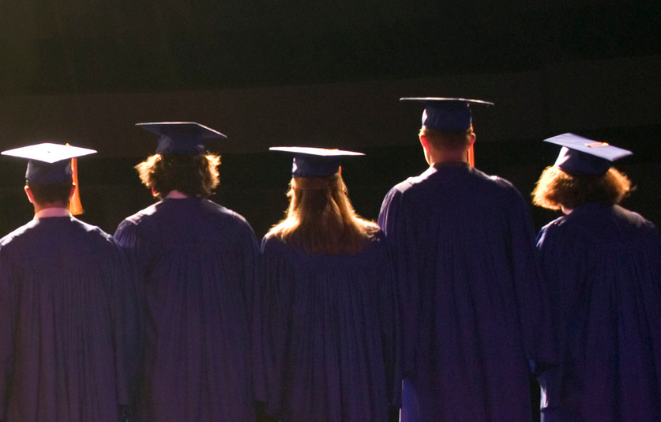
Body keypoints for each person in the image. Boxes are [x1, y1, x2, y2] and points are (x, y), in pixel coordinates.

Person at [378, 98, 552, 422]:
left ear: (423, 141)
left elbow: (392, 290)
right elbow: (528, 283)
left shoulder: (404, 200)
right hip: (498, 356)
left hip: (430, 358)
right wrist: (535, 355)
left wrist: (396, 360)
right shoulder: (504, 197)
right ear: (471, 139)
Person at [0, 143, 142, 422]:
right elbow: (125, 331)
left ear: (28, 193)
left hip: (31, 399)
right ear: (72, 190)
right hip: (96, 398)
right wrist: (123, 400)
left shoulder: (8, 252)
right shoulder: (105, 248)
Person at [112, 122, 259, 422]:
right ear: (204, 173)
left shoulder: (137, 231)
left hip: (162, 382)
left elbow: (123, 317)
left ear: (156, 173)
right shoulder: (236, 228)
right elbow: (255, 310)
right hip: (227, 381)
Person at [257, 148, 399, 422]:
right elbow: (388, 322)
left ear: (295, 188)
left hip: (303, 383)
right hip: (362, 379)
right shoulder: (372, 243)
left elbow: (271, 328)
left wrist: (271, 392)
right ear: (340, 184)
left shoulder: (279, 247)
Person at [531, 134, 661, 422]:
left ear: (561, 186)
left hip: (584, 374)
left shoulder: (560, 235)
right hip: (640, 369)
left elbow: (546, 312)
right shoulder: (644, 230)